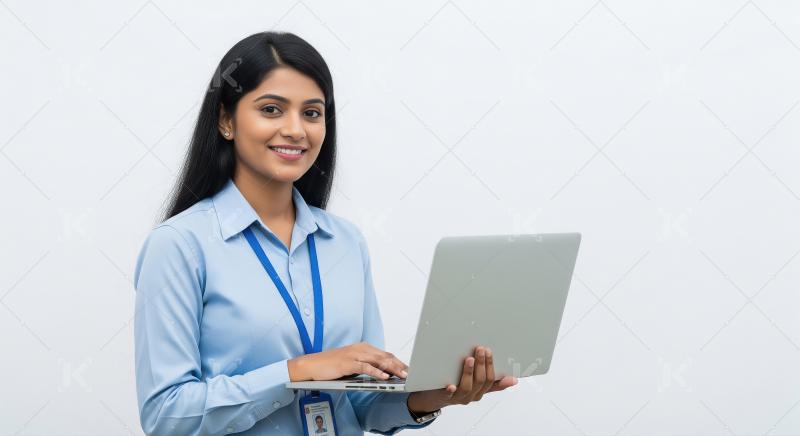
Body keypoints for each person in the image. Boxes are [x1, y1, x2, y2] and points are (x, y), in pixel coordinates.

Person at [133, 30, 518, 435]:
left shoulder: (345, 242)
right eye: (271, 109)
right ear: (227, 120)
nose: (296, 130)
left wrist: (428, 397)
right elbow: (166, 416)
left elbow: (362, 399)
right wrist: (297, 372)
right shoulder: (179, 246)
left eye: (312, 113)